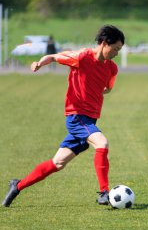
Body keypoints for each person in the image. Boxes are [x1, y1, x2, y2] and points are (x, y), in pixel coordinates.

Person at [2, 25, 125, 207]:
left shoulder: (111, 68)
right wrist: (38, 64)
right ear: (105, 43)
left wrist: (94, 90)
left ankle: (17, 186)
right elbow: (52, 57)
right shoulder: (81, 57)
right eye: (115, 49)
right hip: (77, 117)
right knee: (102, 143)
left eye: (119, 50)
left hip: (89, 120)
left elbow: (108, 88)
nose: (116, 53)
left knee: (57, 163)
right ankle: (104, 192)